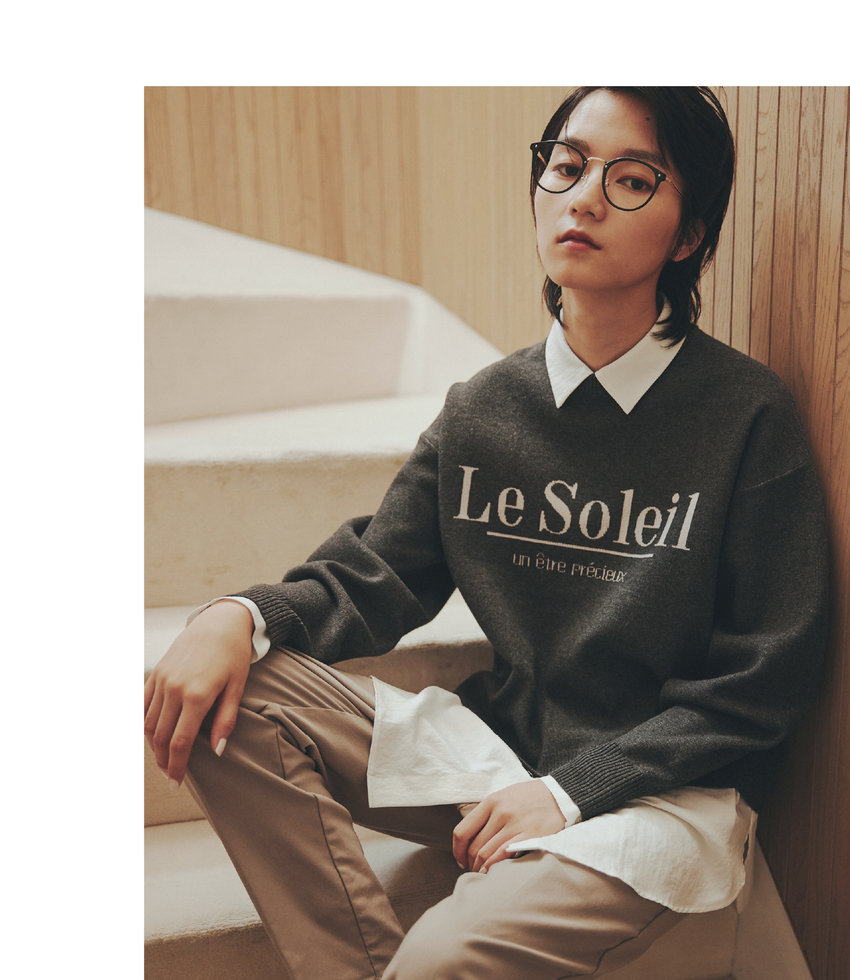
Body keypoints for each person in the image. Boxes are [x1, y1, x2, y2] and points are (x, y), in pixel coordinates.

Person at [144, 87, 829, 979]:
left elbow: (763, 682)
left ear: (689, 235)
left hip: (656, 794)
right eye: (567, 166)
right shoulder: (487, 408)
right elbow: (376, 574)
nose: (583, 198)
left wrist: (573, 791)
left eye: (631, 180)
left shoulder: (744, 416)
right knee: (226, 697)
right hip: (497, 754)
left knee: (442, 956)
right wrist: (236, 615)